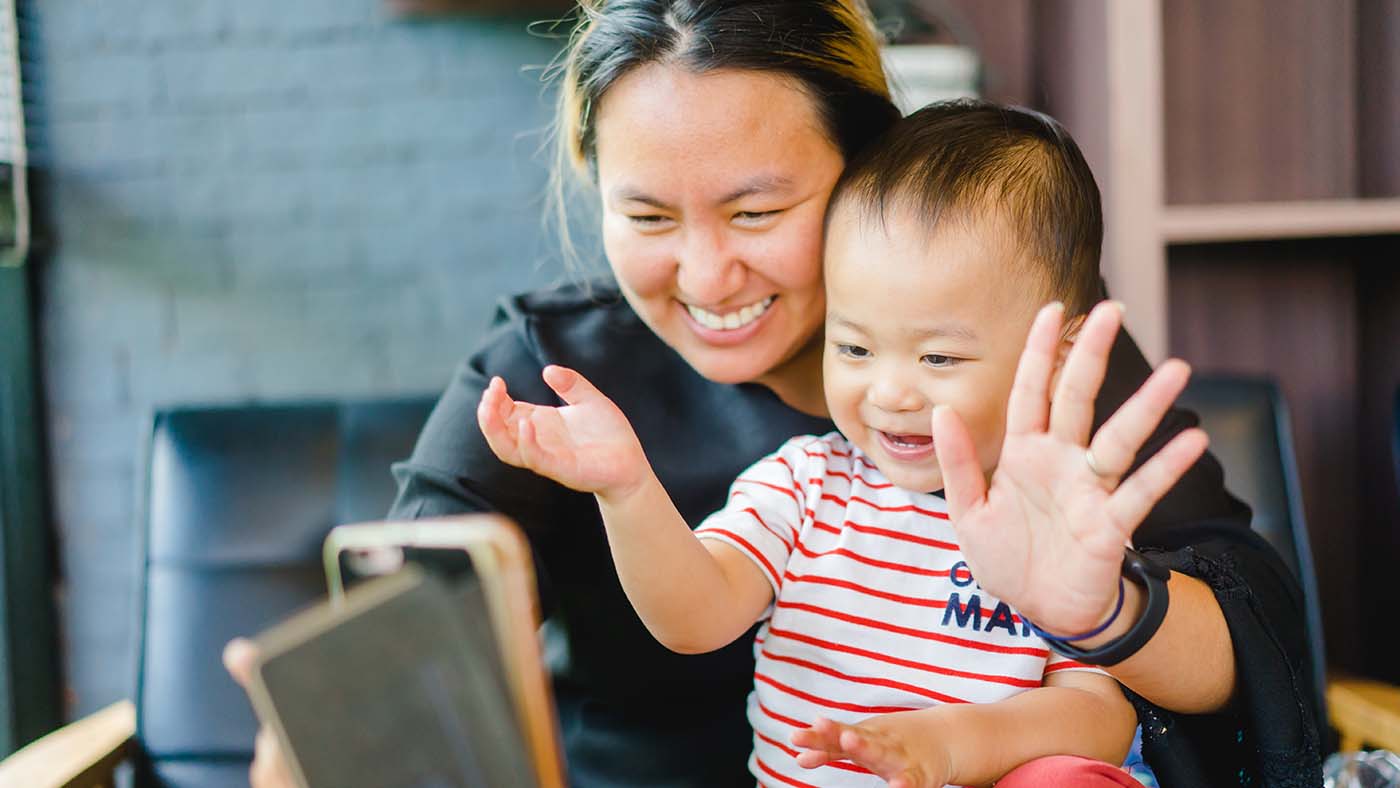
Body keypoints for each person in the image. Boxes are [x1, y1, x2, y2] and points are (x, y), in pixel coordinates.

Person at [223, 2, 1322, 786]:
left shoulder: (1011, 358)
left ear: (864, 165)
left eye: (755, 213)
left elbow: (1243, 635)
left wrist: (1105, 611)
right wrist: (326, 708)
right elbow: (403, 624)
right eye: (647, 218)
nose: (705, 281)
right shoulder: (547, 377)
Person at [477, 99, 1160, 787]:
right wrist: (626, 489)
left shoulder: (1064, 517)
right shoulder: (807, 487)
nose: (889, 392)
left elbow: (1103, 716)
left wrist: (955, 742)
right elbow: (694, 616)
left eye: (939, 359)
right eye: (855, 346)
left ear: (1060, 357)